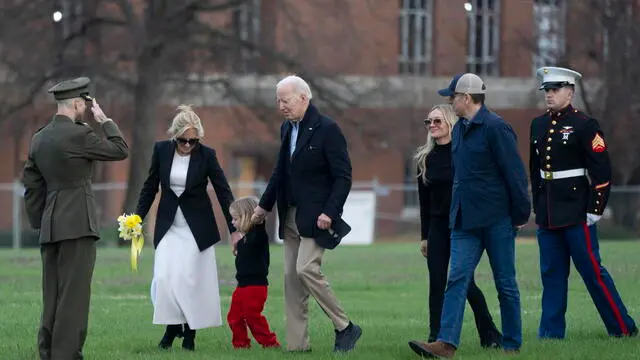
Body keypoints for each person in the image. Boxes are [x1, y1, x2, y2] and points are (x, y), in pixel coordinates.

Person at [409, 73, 531, 358]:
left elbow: (514, 173)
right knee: (457, 278)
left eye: (452, 97)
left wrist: (520, 213)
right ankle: (445, 343)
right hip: (463, 221)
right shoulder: (461, 128)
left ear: (465, 98)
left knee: (505, 283)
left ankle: (511, 344)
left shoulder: (496, 128)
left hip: (496, 219)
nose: (450, 102)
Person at [250, 75, 362, 353]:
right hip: (290, 215)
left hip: (317, 217)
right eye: (278, 101)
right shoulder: (286, 129)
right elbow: (280, 173)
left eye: (285, 100)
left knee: (305, 268)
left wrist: (330, 212)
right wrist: (264, 206)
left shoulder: (328, 129)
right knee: (291, 279)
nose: (281, 106)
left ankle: (345, 326)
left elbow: (343, 177)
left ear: (303, 98)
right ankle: (297, 346)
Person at [21, 77, 129, 360]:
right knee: (74, 296)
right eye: (85, 103)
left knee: (52, 294)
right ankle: (65, 354)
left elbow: (32, 186)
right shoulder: (80, 135)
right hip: (78, 223)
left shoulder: (39, 137)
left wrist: (40, 222)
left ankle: (47, 351)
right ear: (78, 103)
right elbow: (120, 150)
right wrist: (104, 120)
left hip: (50, 225)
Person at [530, 66, 638, 339]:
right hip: (549, 213)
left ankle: (623, 328)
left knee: (593, 273)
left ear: (570, 91)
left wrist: (595, 208)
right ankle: (550, 334)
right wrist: (537, 205)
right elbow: (536, 170)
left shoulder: (584, 124)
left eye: (555, 90)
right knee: (552, 275)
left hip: (578, 212)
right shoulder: (538, 124)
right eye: (547, 90)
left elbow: (601, 170)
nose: (549, 95)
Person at [135, 104, 242, 351]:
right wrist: (137, 220)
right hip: (169, 226)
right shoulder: (161, 151)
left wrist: (234, 228)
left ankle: (190, 333)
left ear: (198, 139)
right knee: (163, 279)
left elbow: (224, 192)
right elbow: (150, 187)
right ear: (174, 136)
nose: (187, 145)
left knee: (190, 281)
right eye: (182, 140)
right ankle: (173, 326)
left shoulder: (207, 155)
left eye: (192, 141)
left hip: (197, 229)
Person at [412, 104, 502, 348]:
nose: (432, 126)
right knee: (437, 280)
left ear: (451, 123)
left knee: (464, 282)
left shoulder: (462, 153)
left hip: (462, 224)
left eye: (437, 121)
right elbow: (424, 202)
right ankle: (434, 338)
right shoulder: (424, 159)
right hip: (437, 226)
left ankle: (489, 332)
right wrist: (424, 236)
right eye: (428, 122)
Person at [227, 196, 281, 349]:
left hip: (255, 287)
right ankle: (241, 344)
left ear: (246, 217)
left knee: (252, 317)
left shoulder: (258, 235)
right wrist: (238, 246)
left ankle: (270, 343)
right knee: (234, 317)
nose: (232, 222)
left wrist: (257, 217)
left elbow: (258, 225)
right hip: (241, 286)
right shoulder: (245, 239)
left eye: (235, 219)